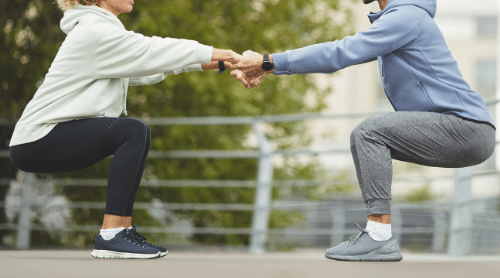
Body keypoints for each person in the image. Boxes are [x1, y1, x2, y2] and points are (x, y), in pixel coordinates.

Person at [231, 0, 496, 261]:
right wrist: (265, 65)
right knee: (370, 138)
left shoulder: (406, 16)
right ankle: (379, 235)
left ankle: (379, 235)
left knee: (369, 133)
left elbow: (340, 52)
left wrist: (268, 61)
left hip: (465, 127)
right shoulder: (401, 18)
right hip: (465, 130)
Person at [9, 0, 240, 259]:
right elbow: (153, 50)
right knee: (131, 131)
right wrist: (224, 54)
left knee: (135, 132)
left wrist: (219, 63)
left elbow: (150, 68)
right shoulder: (96, 31)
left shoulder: (99, 30)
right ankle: (112, 234)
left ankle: (120, 230)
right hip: (38, 138)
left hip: (43, 138)